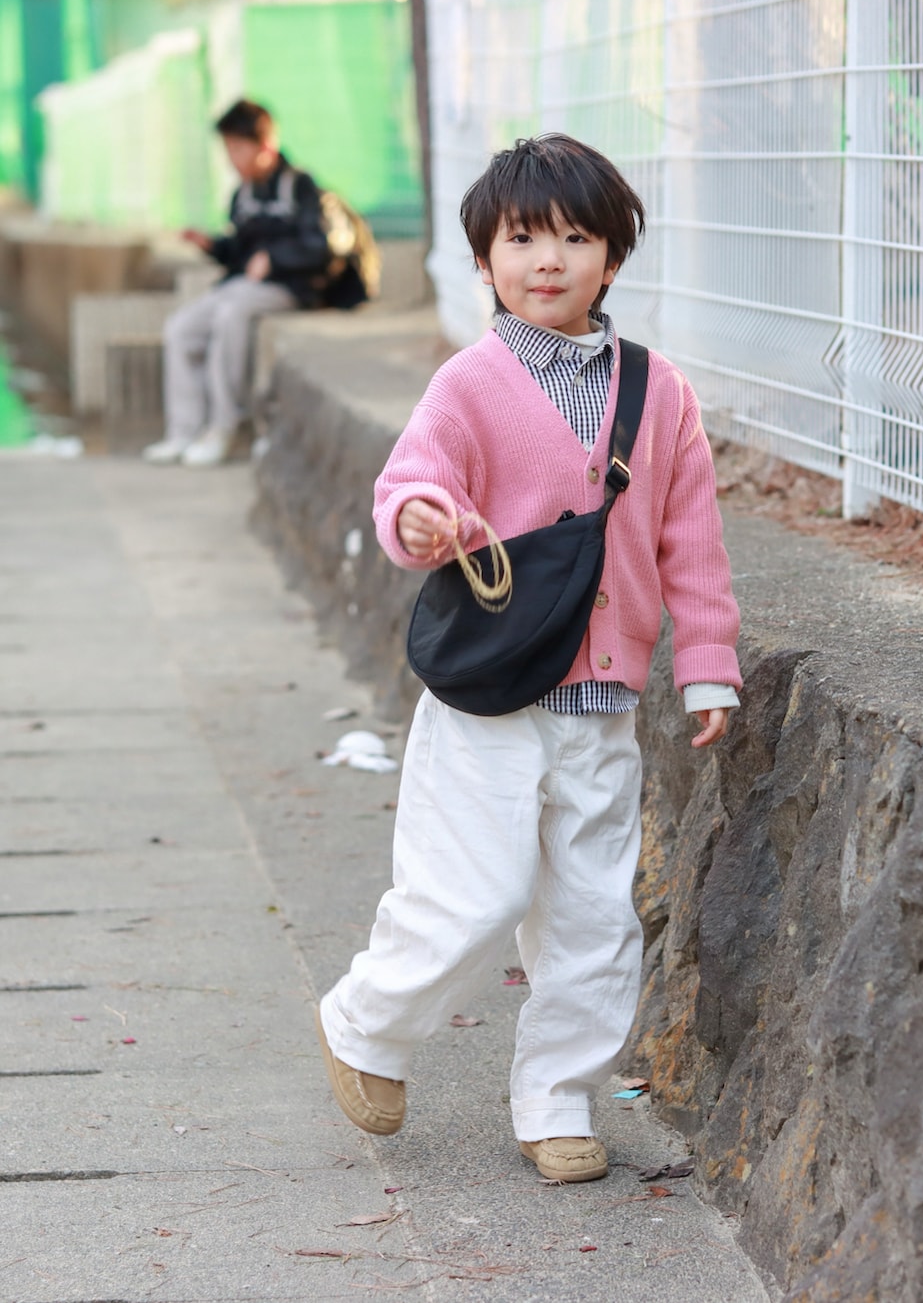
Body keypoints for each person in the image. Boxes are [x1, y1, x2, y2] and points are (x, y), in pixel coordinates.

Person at [315, 134, 742, 1183]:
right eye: (521, 238)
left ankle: (557, 1097)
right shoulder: (470, 383)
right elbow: (409, 482)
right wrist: (423, 516)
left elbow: (691, 537)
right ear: (482, 258)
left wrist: (707, 661)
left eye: (575, 237)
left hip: (601, 702)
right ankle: (366, 1019)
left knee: (594, 914)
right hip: (492, 695)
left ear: (612, 256)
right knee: (473, 892)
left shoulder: (659, 391)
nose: (547, 258)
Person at [143, 99, 330, 468]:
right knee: (181, 328)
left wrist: (275, 258)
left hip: (287, 289)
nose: (232, 159)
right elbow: (239, 253)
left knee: (230, 315)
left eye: (239, 149)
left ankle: (222, 427)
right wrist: (212, 246)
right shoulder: (242, 195)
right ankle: (183, 432)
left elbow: (318, 247)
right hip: (243, 286)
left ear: (265, 146)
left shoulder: (299, 186)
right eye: (228, 149)